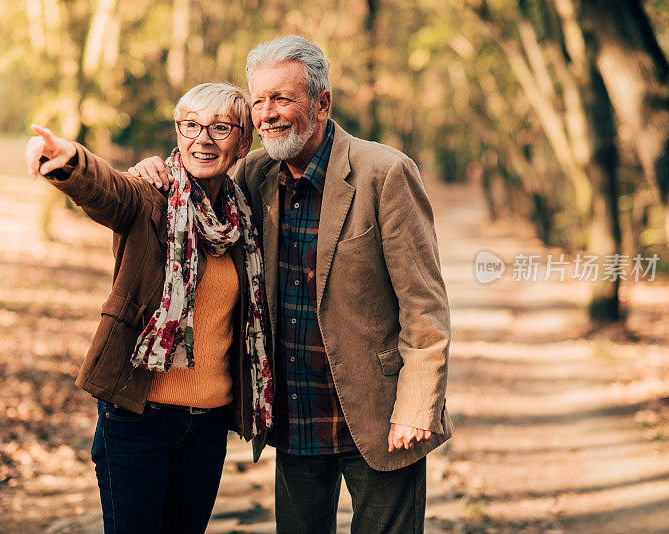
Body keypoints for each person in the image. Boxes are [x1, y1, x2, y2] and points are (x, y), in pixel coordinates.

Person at [130, 36, 453, 534]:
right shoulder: (254, 174)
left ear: (322, 102)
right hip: (295, 413)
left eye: (282, 98)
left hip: (381, 415)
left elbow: (424, 310)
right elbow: (193, 184)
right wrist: (151, 170)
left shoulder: (385, 173)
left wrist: (416, 408)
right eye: (258, 101)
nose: (267, 114)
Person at [24, 83, 273, 534]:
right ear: (177, 132)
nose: (203, 139)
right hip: (138, 418)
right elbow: (108, 191)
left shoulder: (244, 218)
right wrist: (69, 161)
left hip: (207, 427)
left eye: (219, 127)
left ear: (242, 141)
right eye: (190, 125)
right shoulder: (150, 194)